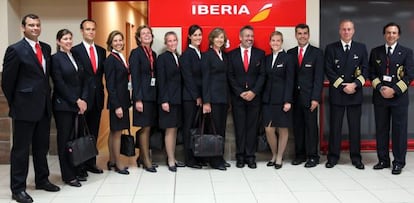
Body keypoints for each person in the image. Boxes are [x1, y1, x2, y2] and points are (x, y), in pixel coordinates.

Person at [2, 14, 60, 203]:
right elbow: (7, 83)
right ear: (23, 28)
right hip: (24, 108)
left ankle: (42, 179)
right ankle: (18, 188)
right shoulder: (15, 50)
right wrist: (16, 103)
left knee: (41, 147)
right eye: (31, 25)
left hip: (43, 107)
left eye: (37, 25)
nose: (35, 28)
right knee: (20, 150)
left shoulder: (46, 48)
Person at [369, 22, 414, 175]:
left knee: (399, 131)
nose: (391, 35)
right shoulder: (376, 52)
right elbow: (372, 74)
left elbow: (409, 75)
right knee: (381, 130)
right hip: (381, 97)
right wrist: (381, 88)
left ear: (398, 35)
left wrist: (393, 90)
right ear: (384, 34)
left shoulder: (407, 52)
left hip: (398, 99)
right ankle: (383, 160)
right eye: (388, 32)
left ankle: (398, 162)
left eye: (394, 33)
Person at [324, 19, 368, 169]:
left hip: (355, 94)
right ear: (339, 31)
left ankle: (356, 158)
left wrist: (354, 84)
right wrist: (343, 86)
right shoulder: (331, 48)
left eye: (349, 29)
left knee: (355, 128)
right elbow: (328, 70)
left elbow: (365, 70)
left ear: (353, 31)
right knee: (335, 128)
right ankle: (333, 157)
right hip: (338, 93)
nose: (346, 32)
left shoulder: (361, 48)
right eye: (344, 29)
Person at [51, 29, 88, 187]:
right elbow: (59, 83)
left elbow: (84, 78)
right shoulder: (55, 59)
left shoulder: (74, 56)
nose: (68, 41)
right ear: (59, 41)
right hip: (64, 106)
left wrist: (83, 100)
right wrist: (76, 100)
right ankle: (68, 175)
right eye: (65, 39)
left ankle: (76, 169)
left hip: (78, 104)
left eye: (70, 38)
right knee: (65, 141)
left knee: (75, 140)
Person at [228, 25, 265, 169]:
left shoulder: (260, 54)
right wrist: (240, 92)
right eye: (247, 36)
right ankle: (240, 156)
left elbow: (262, 75)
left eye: (251, 36)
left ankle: (250, 157)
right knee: (239, 128)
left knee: (251, 128)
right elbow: (230, 76)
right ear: (240, 37)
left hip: (254, 98)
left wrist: (253, 92)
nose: (249, 38)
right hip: (238, 98)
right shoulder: (231, 55)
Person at [71, 19, 106, 175]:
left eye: (93, 29)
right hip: (83, 99)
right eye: (87, 29)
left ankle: (91, 163)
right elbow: (75, 77)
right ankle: (80, 166)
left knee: (93, 132)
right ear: (82, 31)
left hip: (97, 97)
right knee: (80, 133)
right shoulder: (75, 51)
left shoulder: (101, 51)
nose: (90, 32)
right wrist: (79, 99)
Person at [287, 24, 324, 168]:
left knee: (311, 128)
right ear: (295, 35)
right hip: (294, 98)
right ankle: (300, 155)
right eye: (299, 33)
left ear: (308, 35)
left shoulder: (317, 53)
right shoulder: (290, 53)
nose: (302, 36)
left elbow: (318, 78)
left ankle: (313, 156)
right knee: (298, 127)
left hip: (310, 98)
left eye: (305, 33)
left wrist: (315, 98)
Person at [262, 31, 294, 169]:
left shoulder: (288, 58)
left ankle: (279, 156)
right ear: (270, 42)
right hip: (268, 99)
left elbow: (290, 81)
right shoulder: (267, 58)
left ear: (281, 42)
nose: (275, 43)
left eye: (278, 41)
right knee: (268, 129)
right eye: (273, 40)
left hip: (282, 99)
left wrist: (288, 100)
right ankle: (274, 154)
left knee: (282, 128)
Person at [129, 25, 157, 173]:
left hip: (152, 96)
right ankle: (146, 161)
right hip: (142, 97)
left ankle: (142, 156)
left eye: (149, 33)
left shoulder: (153, 53)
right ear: (139, 38)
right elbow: (135, 77)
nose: (146, 35)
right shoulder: (136, 53)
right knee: (145, 128)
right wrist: (138, 99)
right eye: (143, 33)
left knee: (148, 127)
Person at [201, 27, 230, 170]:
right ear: (212, 39)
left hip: (223, 98)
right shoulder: (207, 56)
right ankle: (214, 160)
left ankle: (220, 157)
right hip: (212, 99)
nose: (220, 40)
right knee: (213, 130)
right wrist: (206, 101)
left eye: (222, 38)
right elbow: (205, 80)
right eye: (217, 37)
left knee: (221, 129)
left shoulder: (224, 56)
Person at [157, 31, 185, 172]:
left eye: (174, 40)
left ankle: (173, 157)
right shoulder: (162, 58)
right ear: (165, 42)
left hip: (177, 99)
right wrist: (164, 100)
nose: (173, 43)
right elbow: (161, 81)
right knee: (169, 130)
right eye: (170, 41)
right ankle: (170, 160)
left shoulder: (178, 57)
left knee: (174, 130)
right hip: (168, 100)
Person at [104, 30, 131, 175]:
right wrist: (117, 106)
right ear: (110, 43)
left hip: (123, 100)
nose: (119, 43)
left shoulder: (120, 57)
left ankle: (112, 160)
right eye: (115, 41)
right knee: (117, 133)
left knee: (114, 131)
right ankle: (119, 164)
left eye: (120, 40)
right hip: (117, 102)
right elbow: (110, 85)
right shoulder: (110, 60)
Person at [179, 25, 204, 169]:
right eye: (195, 35)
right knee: (189, 128)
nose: (198, 37)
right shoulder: (186, 54)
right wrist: (197, 97)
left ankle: (197, 156)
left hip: (199, 97)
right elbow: (188, 78)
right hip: (190, 98)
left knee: (197, 128)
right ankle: (189, 159)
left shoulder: (200, 53)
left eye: (200, 35)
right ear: (189, 36)